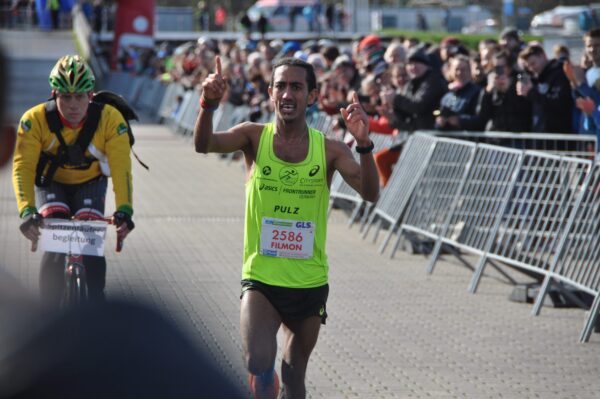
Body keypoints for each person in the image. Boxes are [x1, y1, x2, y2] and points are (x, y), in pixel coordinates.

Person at [193, 56, 379, 398]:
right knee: (257, 360)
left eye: (297, 86)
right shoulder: (252, 137)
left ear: (312, 96)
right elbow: (204, 144)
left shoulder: (330, 150)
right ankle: (264, 384)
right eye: (281, 86)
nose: (287, 93)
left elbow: (370, 194)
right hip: (262, 278)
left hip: (309, 283)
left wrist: (364, 144)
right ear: (270, 92)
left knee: (294, 377)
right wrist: (208, 103)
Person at [12, 55, 135, 307]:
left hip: (91, 181)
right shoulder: (34, 120)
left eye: (80, 97)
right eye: (66, 97)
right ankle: (47, 315)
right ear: (54, 94)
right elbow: (23, 167)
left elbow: (122, 167)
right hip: (51, 182)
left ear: (91, 95)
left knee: (89, 241)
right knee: (56, 239)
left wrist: (124, 209)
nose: (73, 105)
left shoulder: (111, 119)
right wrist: (27, 210)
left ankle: (96, 306)